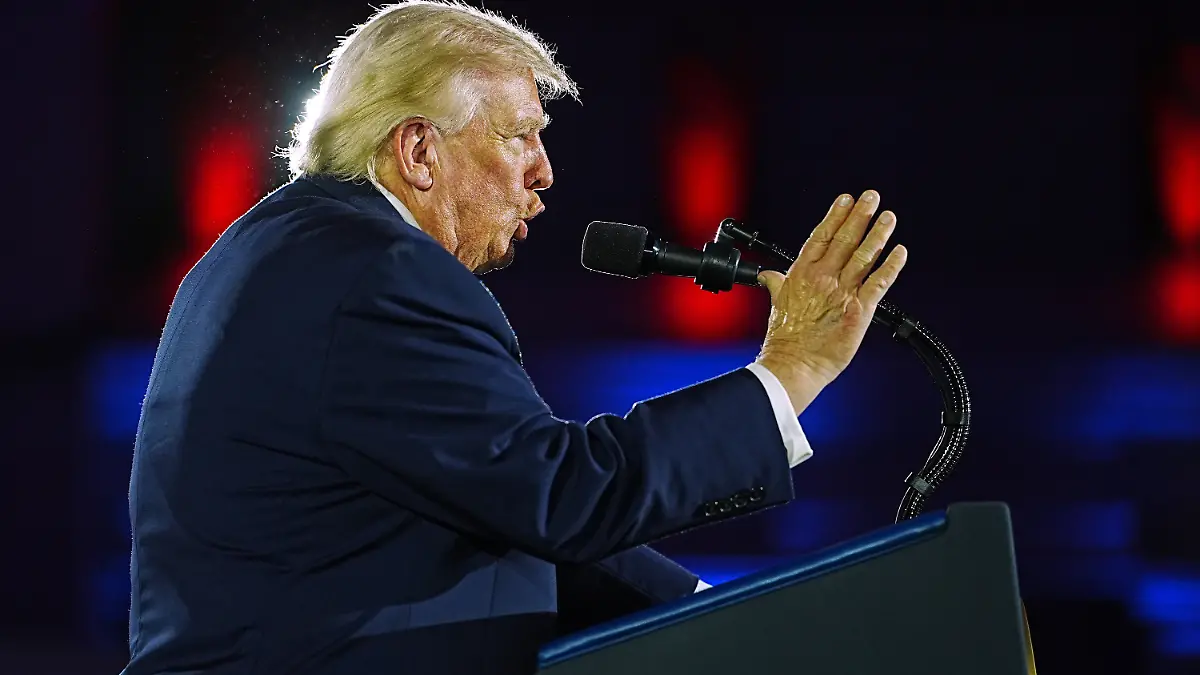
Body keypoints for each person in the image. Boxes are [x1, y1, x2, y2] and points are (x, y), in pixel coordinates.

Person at [121, 2, 907, 674]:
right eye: (518, 136)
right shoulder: (375, 273)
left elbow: (506, 510)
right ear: (419, 150)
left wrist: (727, 614)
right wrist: (788, 372)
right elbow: (562, 496)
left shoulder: (291, 250)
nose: (545, 171)